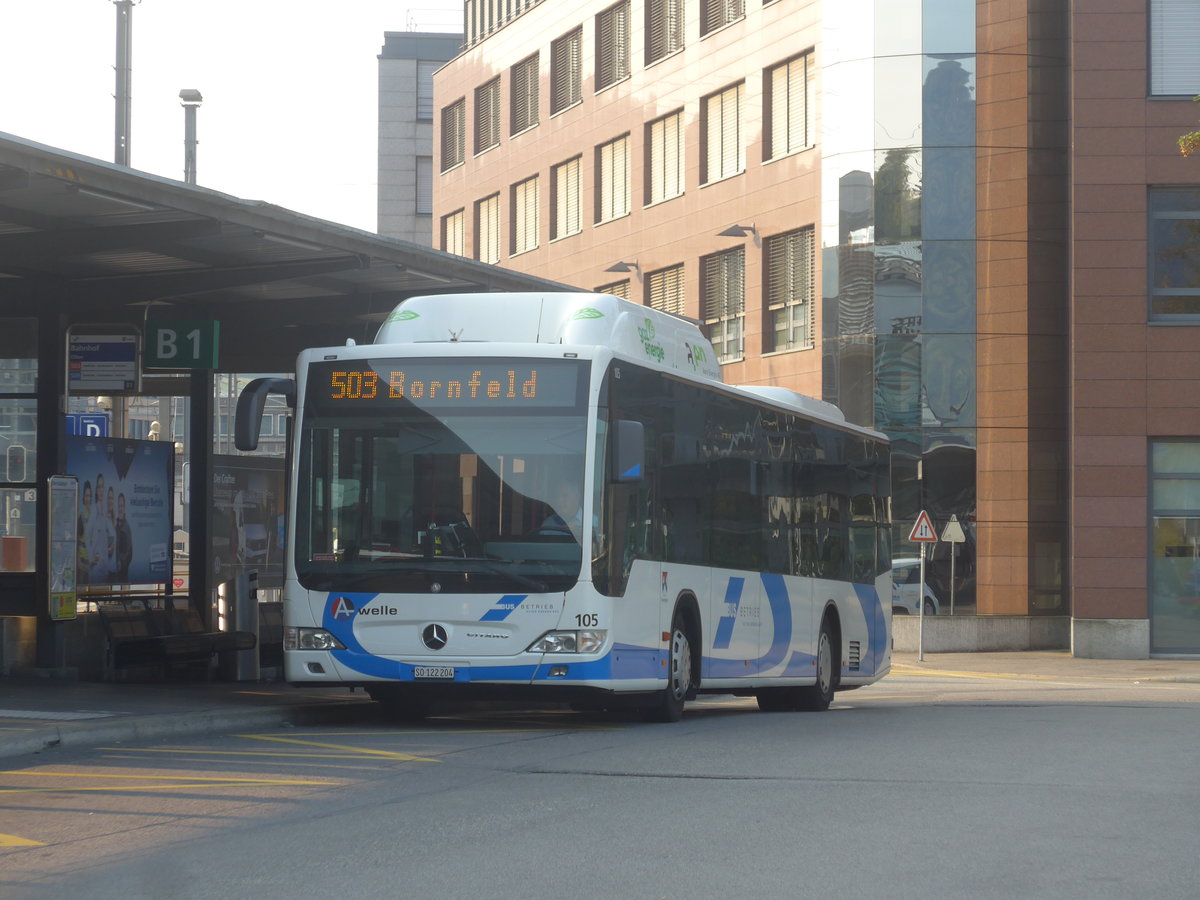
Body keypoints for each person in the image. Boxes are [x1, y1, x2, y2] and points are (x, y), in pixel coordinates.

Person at [115, 491, 133, 582]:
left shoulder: (126, 528)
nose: (120, 509)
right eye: (119, 506)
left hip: (122, 575)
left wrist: (121, 562)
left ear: (124, 507)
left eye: (122, 506)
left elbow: (129, 553)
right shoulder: (115, 525)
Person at [77, 480, 92, 584]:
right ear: (83, 497)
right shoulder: (80, 516)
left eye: (90, 496)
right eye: (86, 496)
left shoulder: (95, 516)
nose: (88, 498)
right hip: (81, 566)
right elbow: (77, 540)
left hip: (92, 566)